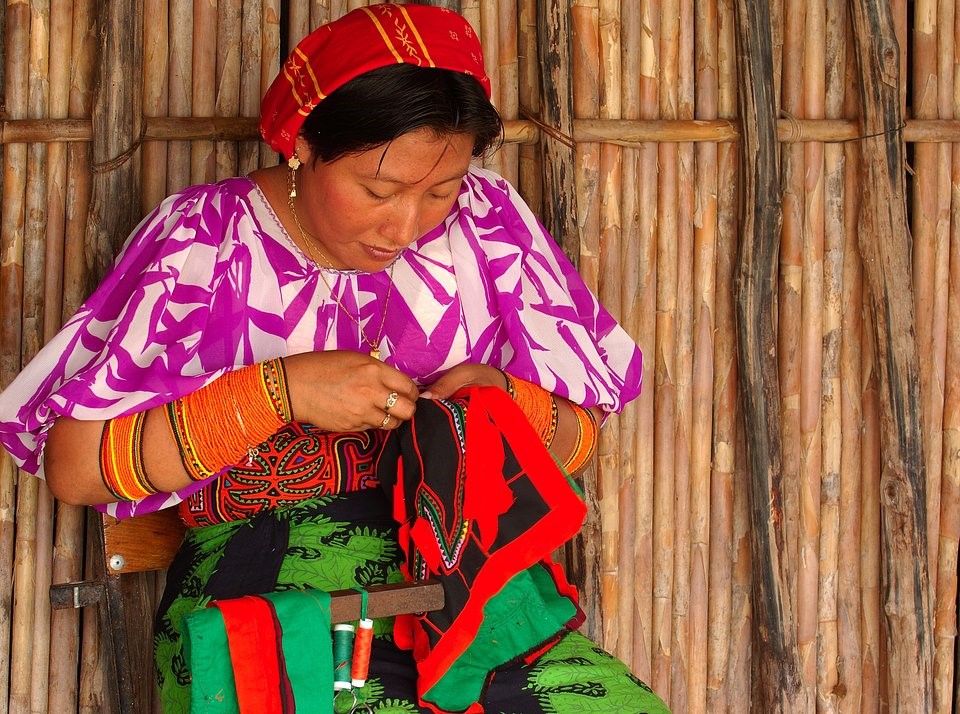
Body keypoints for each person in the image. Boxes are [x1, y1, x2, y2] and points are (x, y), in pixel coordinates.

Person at [0, 4, 669, 713]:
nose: (407, 227)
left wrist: (502, 398)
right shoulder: (208, 242)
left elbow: (577, 442)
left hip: (467, 601)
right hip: (269, 597)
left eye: (439, 192)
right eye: (379, 192)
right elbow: (73, 466)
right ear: (303, 144)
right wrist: (277, 394)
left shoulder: (489, 222)